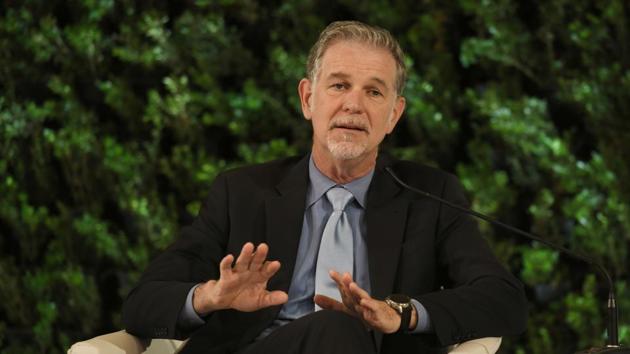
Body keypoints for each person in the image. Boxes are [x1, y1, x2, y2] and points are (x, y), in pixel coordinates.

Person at [122, 21, 527, 354]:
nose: (354, 104)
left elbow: (503, 299)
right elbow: (141, 303)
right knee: (335, 328)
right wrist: (210, 296)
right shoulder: (241, 192)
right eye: (338, 86)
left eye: (373, 91)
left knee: (340, 331)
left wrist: (401, 312)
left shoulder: (430, 196)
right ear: (307, 99)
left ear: (393, 115)